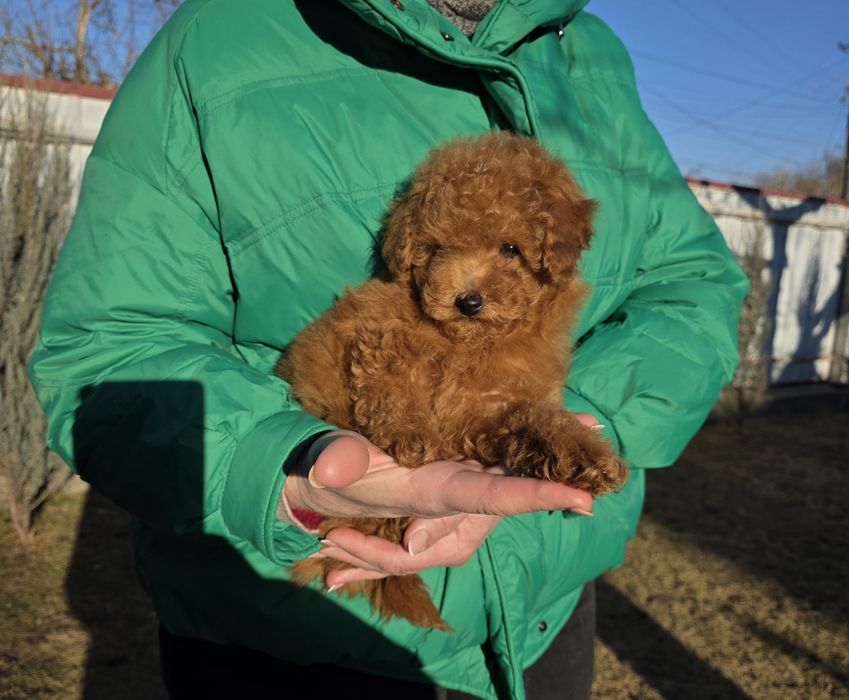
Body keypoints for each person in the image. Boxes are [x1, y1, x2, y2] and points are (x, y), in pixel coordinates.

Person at [29, 1, 748, 698]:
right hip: (293, 627)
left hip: (545, 606)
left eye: (504, 251)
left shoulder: (589, 51)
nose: (466, 288)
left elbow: (692, 280)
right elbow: (111, 343)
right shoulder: (214, 38)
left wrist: (577, 417)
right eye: (439, 252)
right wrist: (274, 468)